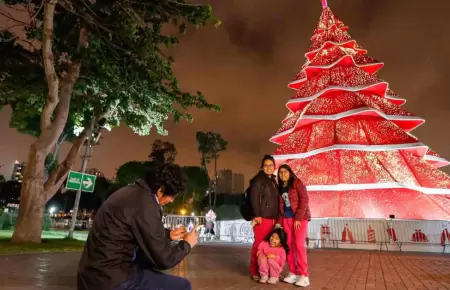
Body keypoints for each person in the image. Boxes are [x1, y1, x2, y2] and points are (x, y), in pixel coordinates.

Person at [77, 163, 198, 290]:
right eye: (172, 196)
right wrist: (187, 244)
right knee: (182, 286)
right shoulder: (146, 205)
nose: (172, 200)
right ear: (161, 190)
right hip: (111, 279)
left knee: (147, 265)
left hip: (93, 273)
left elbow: (140, 233)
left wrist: (168, 235)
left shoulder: (133, 193)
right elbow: (164, 259)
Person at [276, 164, 311, 287]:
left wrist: (298, 218)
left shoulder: (297, 183)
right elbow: (281, 207)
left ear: (290, 172)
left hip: (299, 219)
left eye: (285, 171)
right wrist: (280, 222)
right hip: (287, 219)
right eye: (280, 173)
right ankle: (293, 272)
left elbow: (304, 200)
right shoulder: (280, 188)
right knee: (289, 246)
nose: (283, 174)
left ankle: (304, 275)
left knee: (299, 245)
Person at [249, 154, 280, 281]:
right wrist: (257, 215)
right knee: (259, 244)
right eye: (266, 165)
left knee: (267, 245)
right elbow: (254, 198)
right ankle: (254, 270)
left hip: (272, 217)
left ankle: (265, 270)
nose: (268, 167)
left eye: (271, 165)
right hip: (262, 217)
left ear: (274, 166)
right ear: (262, 167)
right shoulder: (259, 179)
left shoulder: (273, 180)